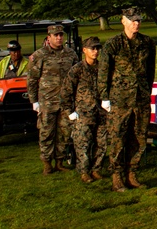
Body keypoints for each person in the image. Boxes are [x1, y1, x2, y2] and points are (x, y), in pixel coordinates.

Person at [98, 7, 156, 192]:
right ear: (123, 21)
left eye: (138, 20)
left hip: (140, 99)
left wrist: (146, 91)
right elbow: (103, 72)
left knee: (139, 138)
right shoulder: (113, 44)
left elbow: (150, 71)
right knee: (117, 139)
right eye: (132, 20)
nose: (136, 23)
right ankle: (117, 177)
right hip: (120, 100)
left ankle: (132, 174)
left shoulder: (147, 43)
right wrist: (104, 97)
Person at [27, 24, 78, 175]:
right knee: (46, 133)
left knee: (64, 132)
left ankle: (60, 161)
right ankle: (47, 163)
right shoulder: (39, 55)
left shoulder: (71, 54)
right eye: (55, 35)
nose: (59, 38)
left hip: (66, 102)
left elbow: (77, 75)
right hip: (47, 102)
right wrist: (34, 101)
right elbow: (31, 79)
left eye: (61, 35)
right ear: (48, 37)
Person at [60, 36, 107, 183]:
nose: (95, 51)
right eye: (92, 48)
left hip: (101, 113)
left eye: (97, 48)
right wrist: (69, 112)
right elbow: (66, 92)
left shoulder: (102, 69)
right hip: (84, 113)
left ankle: (96, 169)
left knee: (102, 143)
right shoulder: (77, 70)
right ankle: (84, 171)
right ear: (84, 50)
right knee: (83, 144)